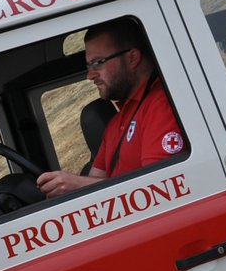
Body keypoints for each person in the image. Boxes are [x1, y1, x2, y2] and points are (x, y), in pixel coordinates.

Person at [36, 18, 187, 197]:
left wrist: (76, 184)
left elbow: (161, 189)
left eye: (98, 62)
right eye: (88, 65)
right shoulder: (116, 124)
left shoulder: (163, 105)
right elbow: (94, 184)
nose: (90, 75)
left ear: (132, 58)